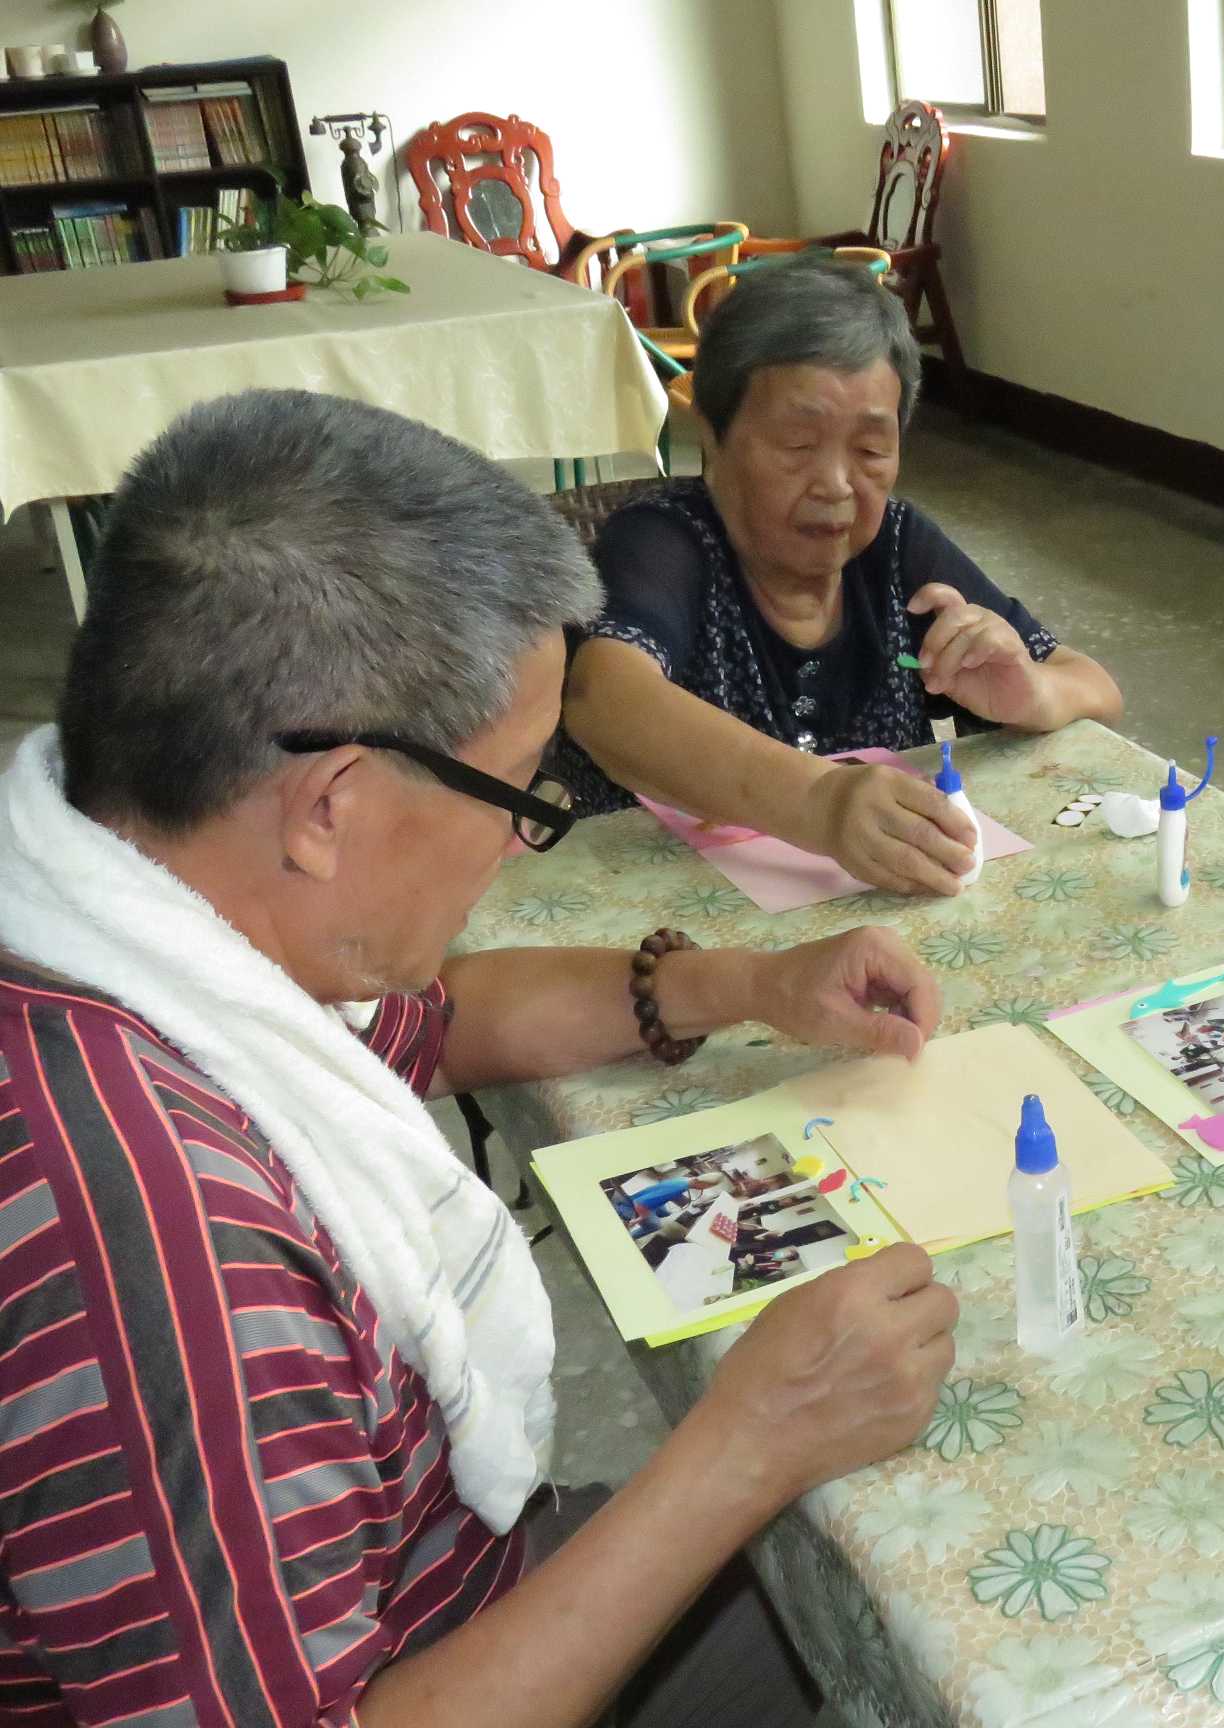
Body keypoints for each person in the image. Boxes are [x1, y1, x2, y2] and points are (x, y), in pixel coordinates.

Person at [0, 390, 960, 1727]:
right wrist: (743, 1447)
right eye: (516, 793)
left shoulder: (122, 906)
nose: (519, 845)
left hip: (415, 1578)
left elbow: (433, 1021)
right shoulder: (167, 1235)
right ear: (332, 805)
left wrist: (751, 983)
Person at [559, 254, 1123, 896]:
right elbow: (603, 699)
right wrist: (822, 802)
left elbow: (1095, 686)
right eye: (798, 446)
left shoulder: (899, 546)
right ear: (713, 437)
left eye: (870, 451)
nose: (835, 485)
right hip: (680, 930)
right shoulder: (665, 541)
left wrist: (1032, 693)